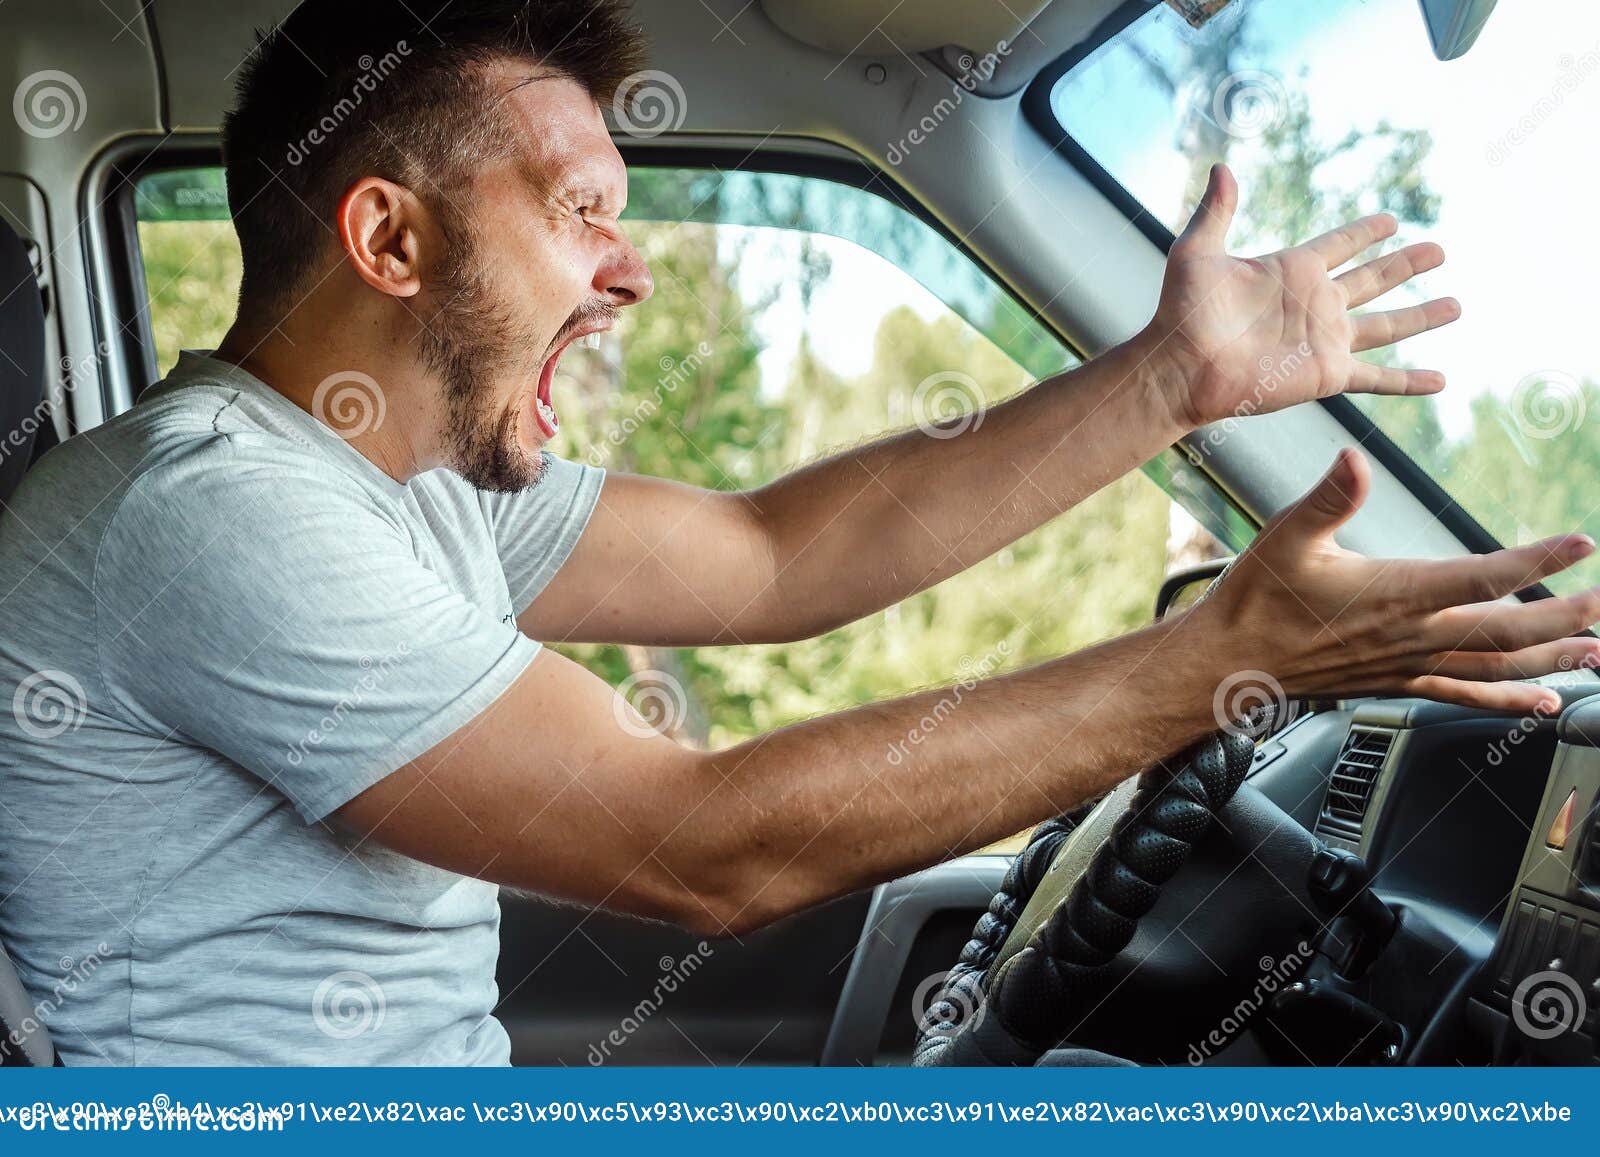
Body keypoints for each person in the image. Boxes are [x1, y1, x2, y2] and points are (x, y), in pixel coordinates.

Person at [0, 0, 1594, 1066]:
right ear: (388, 237)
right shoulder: (212, 512)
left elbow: (781, 556)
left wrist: (1173, 379)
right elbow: (708, 844)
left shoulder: (394, 481)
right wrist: (1224, 663)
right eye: (578, 212)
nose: (625, 271)